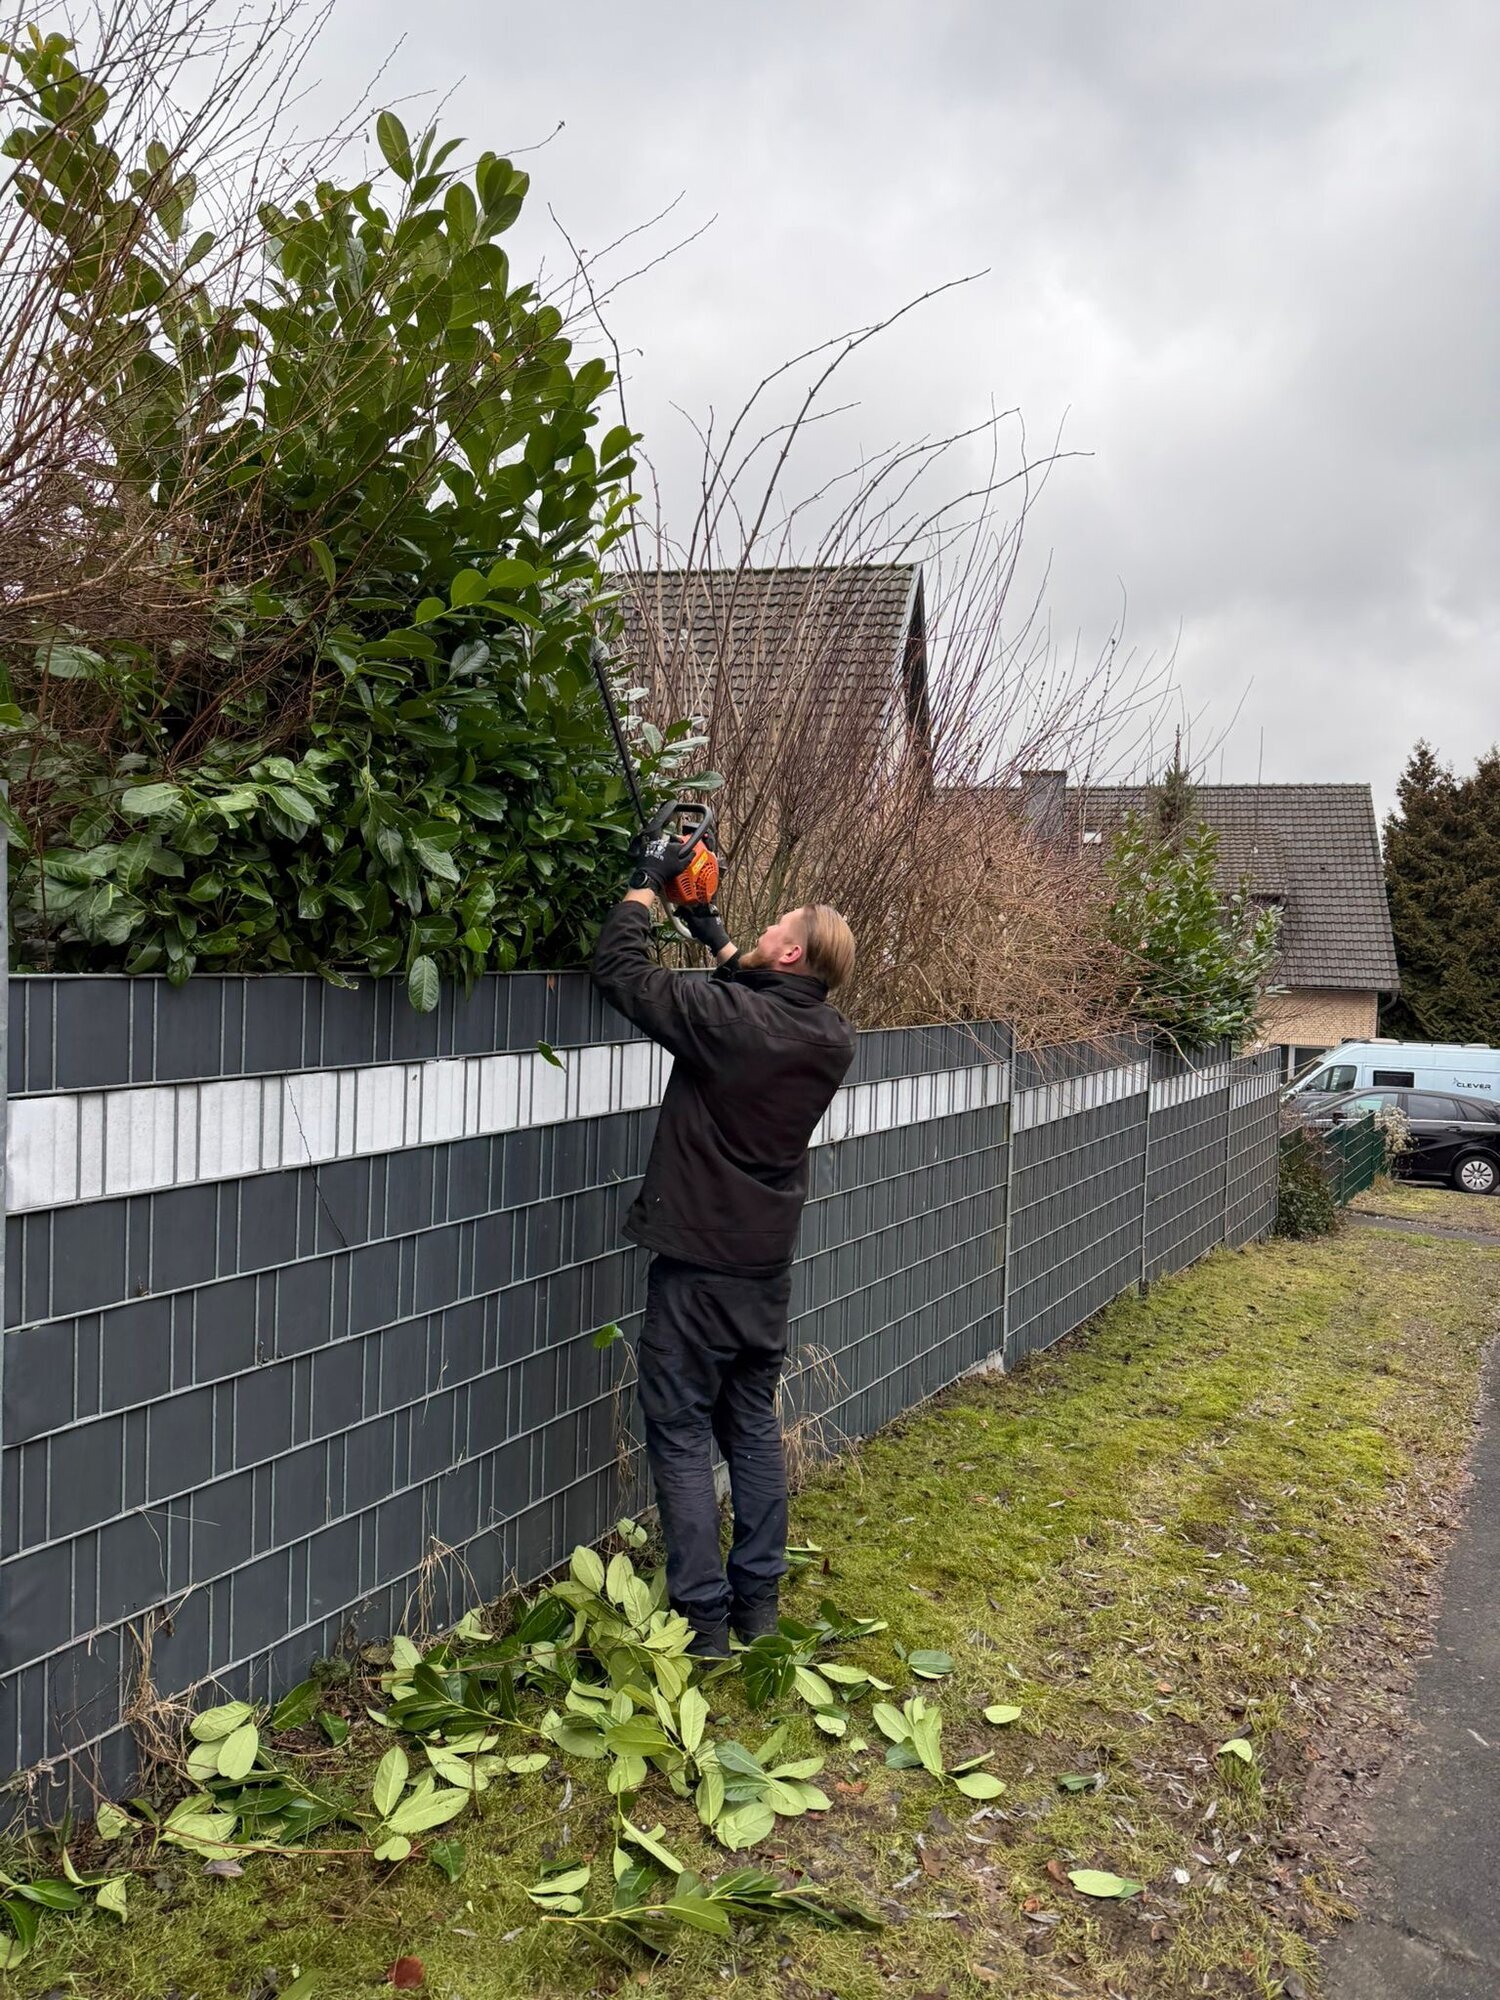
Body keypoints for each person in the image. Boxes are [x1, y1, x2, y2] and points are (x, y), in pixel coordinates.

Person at [591, 830, 856, 1657]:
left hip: (699, 1266)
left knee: (677, 1429)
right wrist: (707, 926)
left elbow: (622, 976)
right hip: (763, 1269)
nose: (767, 929)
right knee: (747, 1424)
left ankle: (701, 1619)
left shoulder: (731, 1022)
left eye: (778, 926)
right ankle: (757, 1608)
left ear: (789, 953)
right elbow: (754, 991)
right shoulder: (829, 1038)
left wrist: (645, 885)